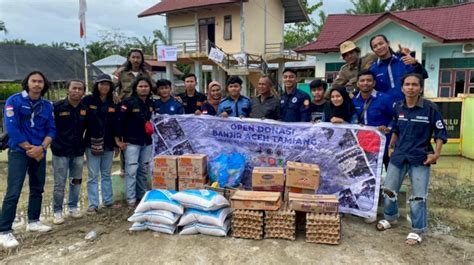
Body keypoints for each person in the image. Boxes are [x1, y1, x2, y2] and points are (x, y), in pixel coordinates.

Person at [376, 73, 447, 246]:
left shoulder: (430, 108)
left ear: (420, 88)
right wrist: (391, 147)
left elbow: (440, 133)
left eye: (415, 84)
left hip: (420, 157)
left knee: (418, 196)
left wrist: (436, 154)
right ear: (402, 88)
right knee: (389, 190)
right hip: (399, 155)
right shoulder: (398, 107)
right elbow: (395, 129)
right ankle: (390, 218)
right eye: (407, 84)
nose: (411, 87)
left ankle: (417, 229)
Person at [0, 71, 56, 249]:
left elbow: (52, 129)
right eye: (34, 81)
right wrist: (29, 148)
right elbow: (12, 128)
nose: (37, 84)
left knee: (37, 188)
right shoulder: (14, 101)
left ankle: (33, 221)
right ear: (27, 83)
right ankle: (4, 231)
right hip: (19, 152)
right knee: (14, 191)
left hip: (40, 151)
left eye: (40, 81)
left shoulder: (47, 105)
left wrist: (42, 148)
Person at [51, 79, 87, 225]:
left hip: (78, 151)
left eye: (80, 89)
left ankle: (73, 207)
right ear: (68, 89)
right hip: (60, 151)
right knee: (59, 183)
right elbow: (50, 127)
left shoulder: (85, 108)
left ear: (83, 92)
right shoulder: (57, 107)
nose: (77, 91)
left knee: (76, 180)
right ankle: (57, 211)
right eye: (74, 88)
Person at [82, 74, 120, 214]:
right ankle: (93, 204)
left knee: (106, 173)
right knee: (93, 174)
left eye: (107, 84)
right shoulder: (88, 100)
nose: (104, 87)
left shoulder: (113, 101)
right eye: (101, 84)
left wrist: (116, 143)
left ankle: (108, 202)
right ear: (96, 85)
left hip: (109, 143)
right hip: (92, 142)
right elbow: (82, 121)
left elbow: (116, 123)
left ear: (110, 87)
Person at [116, 76, 154, 208]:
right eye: (140, 86)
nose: (143, 89)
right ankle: (131, 199)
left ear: (150, 88)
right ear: (135, 88)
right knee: (131, 171)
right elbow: (119, 121)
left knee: (143, 170)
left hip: (147, 142)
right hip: (131, 142)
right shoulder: (128, 102)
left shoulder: (150, 103)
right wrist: (118, 140)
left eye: (146, 86)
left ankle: (141, 195)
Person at [353, 70, 396, 169]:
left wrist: (388, 128)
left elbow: (397, 118)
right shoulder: (354, 101)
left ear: (374, 83)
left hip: (384, 144)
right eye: (362, 81)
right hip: (364, 146)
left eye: (369, 80)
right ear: (358, 84)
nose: (365, 83)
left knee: (389, 177)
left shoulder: (385, 99)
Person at [369, 34, 427, 102]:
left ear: (388, 43)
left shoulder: (404, 60)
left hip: (407, 107)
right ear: (373, 50)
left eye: (381, 43)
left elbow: (424, 75)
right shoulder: (373, 69)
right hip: (385, 109)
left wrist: (415, 63)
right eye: (375, 46)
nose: (379, 47)